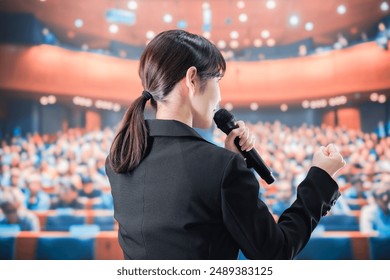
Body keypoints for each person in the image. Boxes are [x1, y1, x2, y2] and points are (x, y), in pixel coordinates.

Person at [105, 29, 345, 260]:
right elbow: (275, 252)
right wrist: (320, 179)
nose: (219, 96)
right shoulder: (222, 167)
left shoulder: (121, 158)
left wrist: (231, 165)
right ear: (191, 79)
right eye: (217, 79)